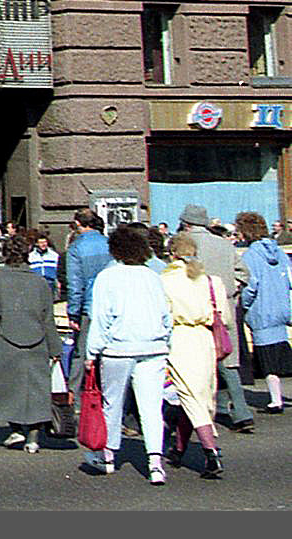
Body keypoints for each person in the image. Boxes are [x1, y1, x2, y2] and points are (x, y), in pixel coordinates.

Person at [81, 223, 172, 483]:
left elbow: (101, 319)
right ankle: (155, 463)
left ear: (115, 250)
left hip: (118, 348)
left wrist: (91, 352)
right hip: (153, 347)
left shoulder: (107, 277)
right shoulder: (153, 277)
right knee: (152, 407)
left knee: (112, 404)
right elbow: (166, 315)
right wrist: (166, 341)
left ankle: (107, 456)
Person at [0, 231, 62, 452]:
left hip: (5, 340)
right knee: (35, 388)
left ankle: (16, 429)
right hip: (37, 340)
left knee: (8, 387)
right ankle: (34, 436)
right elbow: (48, 319)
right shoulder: (40, 282)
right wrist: (55, 349)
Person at [178, 204, 253, 431]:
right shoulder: (224, 244)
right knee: (227, 361)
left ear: (187, 224)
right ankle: (230, 409)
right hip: (225, 307)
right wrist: (231, 291)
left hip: (198, 311)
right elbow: (243, 273)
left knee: (202, 364)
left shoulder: (187, 245)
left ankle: (231, 413)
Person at [161, 234, 225, 477]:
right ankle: (179, 450)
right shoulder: (208, 280)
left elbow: (163, 315)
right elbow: (224, 317)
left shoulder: (166, 280)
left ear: (173, 253)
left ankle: (211, 451)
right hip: (205, 339)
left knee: (189, 397)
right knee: (201, 396)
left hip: (180, 339)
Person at [236, 211, 292, 414]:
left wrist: (243, 305)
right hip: (282, 310)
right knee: (282, 354)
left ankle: (275, 400)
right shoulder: (279, 252)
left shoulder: (251, 256)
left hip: (262, 312)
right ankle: (278, 398)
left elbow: (251, 287)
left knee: (268, 362)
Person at [65, 209, 112, 391]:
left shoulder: (76, 248)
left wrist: (73, 314)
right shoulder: (109, 244)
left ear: (78, 224)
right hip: (108, 305)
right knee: (106, 353)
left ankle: (74, 395)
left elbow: (75, 285)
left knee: (81, 352)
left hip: (88, 306)